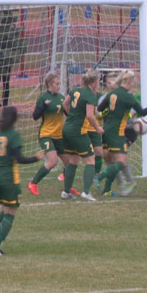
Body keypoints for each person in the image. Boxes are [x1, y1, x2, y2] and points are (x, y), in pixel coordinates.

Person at [0, 106, 44, 255]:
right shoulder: (13, 136)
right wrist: (36, 158)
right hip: (9, 179)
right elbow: (19, 159)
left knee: (6, 210)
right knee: (10, 213)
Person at [97, 70, 147, 196]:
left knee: (109, 158)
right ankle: (100, 177)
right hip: (117, 132)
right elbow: (143, 111)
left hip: (106, 129)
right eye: (134, 81)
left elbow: (100, 109)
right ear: (129, 81)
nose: (135, 83)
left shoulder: (112, 94)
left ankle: (109, 188)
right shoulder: (128, 97)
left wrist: (112, 111)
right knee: (121, 162)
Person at [27, 72, 78, 196]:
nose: (58, 86)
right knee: (53, 161)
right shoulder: (43, 98)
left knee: (70, 163)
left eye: (59, 83)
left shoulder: (61, 97)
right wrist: (44, 106)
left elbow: (67, 115)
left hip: (59, 136)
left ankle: (68, 188)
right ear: (49, 84)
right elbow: (35, 116)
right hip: (46, 135)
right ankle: (33, 183)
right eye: (56, 83)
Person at [60, 70, 105, 201]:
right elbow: (90, 115)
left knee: (73, 160)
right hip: (78, 131)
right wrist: (97, 128)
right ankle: (86, 192)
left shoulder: (75, 90)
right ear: (94, 82)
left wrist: (71, 115)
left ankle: (66, 191)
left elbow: (64, 104)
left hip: (67, 128)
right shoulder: (90, 95)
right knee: (90, 160)